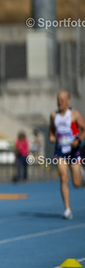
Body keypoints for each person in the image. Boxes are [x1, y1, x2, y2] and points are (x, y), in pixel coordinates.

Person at [49, 91, 85, 220]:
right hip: (60, 152)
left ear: (68, 101)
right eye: (58, 99)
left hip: (73, 151)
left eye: (62, 99)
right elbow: (51, 129)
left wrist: (78, 140)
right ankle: (67, 209)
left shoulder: (74, 114)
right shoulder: (54, 115)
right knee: (63, 178)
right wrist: (51, 136)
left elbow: (84, 129)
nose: (60, 102)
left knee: (77, 183)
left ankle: (82, 172)